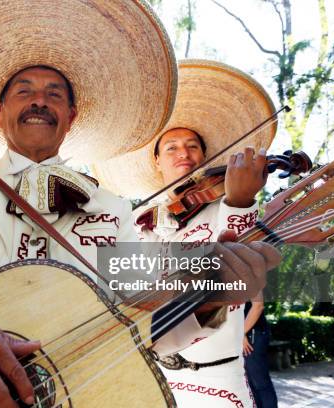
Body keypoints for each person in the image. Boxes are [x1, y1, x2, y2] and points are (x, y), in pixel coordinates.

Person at [0, 4, 281, 407]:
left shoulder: (114, 209)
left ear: (70, 114)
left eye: (53, 94)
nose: (39, 101)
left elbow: (141, 325)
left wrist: (207, 300)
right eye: (23, 91)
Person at [93, 59, 279, 407]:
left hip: (220, 378)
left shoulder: (226, 208)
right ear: (157, 162)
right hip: (156, 376)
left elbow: (238, 269)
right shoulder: (137, 221)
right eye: (172, 147)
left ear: (206, 157)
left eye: (193, 146)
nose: (184, 153)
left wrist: (240, 199)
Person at [244, 294, 279, 407]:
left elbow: (258, 305)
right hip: (245, 335)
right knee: (250, 385)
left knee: (259, 383)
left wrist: (240, 333)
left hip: (252, 335)